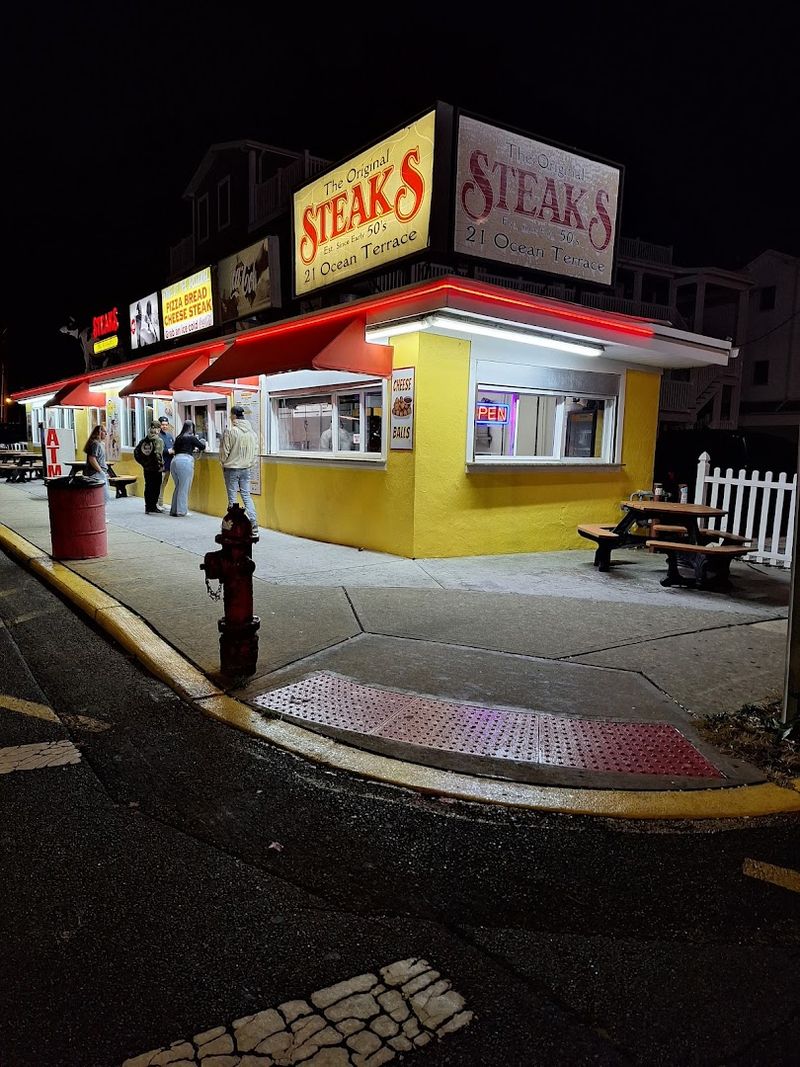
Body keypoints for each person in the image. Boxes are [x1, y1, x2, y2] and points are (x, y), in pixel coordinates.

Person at [219, 404, 258, 531]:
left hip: (232, 469)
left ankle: (231, 525)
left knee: (232, 497)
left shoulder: (231, 431)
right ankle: (253, 523)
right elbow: (255, 451)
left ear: (234, 416)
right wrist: (250, 463)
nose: (230, 417)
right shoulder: (252, 433)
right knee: (246, 495)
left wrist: (223, 463)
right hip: (246, 468)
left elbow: (225, 451)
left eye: (231, 415)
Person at [170, 419, 206, 516]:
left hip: (174, 461)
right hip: (185, 461)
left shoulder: (178, 437)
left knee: (178, 486)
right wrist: (202, 442)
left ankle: (174, 510)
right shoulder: (191, 438)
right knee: (184, 487)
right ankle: (181, 511)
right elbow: (202, 447)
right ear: (191, 428)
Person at [133, 421, 165, 514]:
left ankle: (148, 506)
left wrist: (143, 463)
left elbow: (136, 452)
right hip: (156, 468)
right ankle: (153, 506)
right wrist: (160, 466)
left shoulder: (144, 440)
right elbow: (158, 454)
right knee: (156, 487)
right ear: (157, 429)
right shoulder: (158, 440)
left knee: (148, 486)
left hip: (147, 468)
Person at [82, 425, 109, 490]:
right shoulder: (95, 444)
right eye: (104, 431)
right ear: (99, 432)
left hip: (99, 472)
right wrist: (100, 471)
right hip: (96, 473)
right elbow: (92, 459)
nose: (106, 434)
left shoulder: (100, 444)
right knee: (102, 495)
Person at [157, 416, 175, 508]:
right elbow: (157, 450)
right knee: (159, 484)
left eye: (166, 425)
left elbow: (174, 446)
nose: (164, 426)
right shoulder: (157, 436)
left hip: (169, 464)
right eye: (163, 425)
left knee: (164, 484)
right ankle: (157, 503)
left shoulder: (169, 436)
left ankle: (160, 502)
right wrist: (168, 451)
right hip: (160, 465)